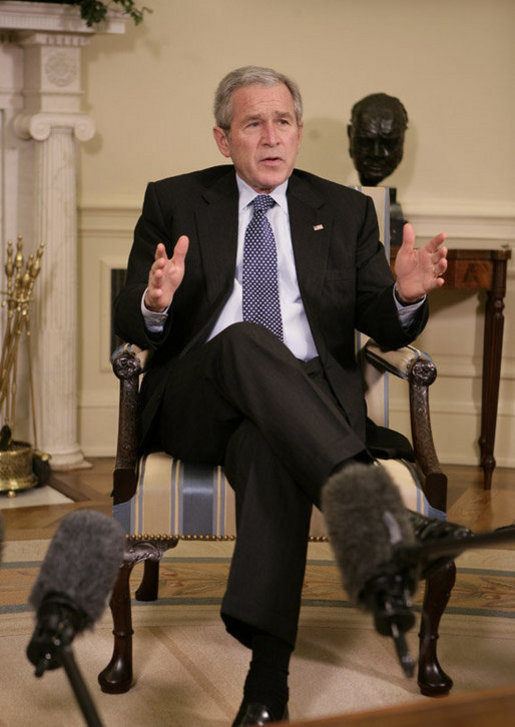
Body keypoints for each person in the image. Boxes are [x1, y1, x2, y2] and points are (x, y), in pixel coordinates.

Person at [114, 66, 447, 726]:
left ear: (298, 132)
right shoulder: (174, 200)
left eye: (283, 121)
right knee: (242, 339)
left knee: (269, 454)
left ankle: (266, 687)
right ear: (222, 138)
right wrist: (154, 302)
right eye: (252, 123)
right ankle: (363, 495)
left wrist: (405, 294)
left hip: (301, 409)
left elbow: (383, 321)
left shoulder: (343, 209)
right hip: (197, 397)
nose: (270, 137)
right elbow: (133, 313)